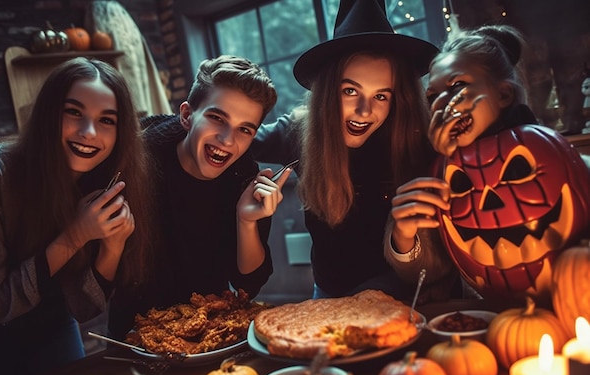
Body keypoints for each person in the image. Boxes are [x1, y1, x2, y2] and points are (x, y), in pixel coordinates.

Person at [0, 57, 154, 375]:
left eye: (106, 120)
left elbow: (83, 309)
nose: (89, 132)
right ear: (48, 113)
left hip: (54, 330)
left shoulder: (104, 181)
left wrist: (113, 246)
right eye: (74, 112)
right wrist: (74, 236)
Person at [251, 0, 461, 302]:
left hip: (409, 296)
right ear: (327, 91)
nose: (364, 111)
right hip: (329, 298)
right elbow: (234, 137)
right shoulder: (299, 131)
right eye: (350, 91)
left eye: (381, 95)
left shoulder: (418, 137)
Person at [107, 55, 289, 339]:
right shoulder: (136, 160)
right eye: (217, 118)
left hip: (212, 329)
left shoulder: (244, 177)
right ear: (187, 115)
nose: (228, 139)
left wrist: (246, 222)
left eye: (245, 129)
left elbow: (248, 286)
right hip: (133, 332)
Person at [426, 24, 590, 300]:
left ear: (504, 94)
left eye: (457, 86)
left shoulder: (548, 149)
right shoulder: (443, 170)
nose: (442, 103)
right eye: (432, 96)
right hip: (496, 313)